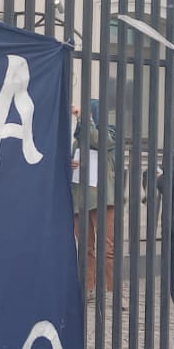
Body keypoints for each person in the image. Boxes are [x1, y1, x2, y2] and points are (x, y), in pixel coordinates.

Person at [72, 101, 117, 297]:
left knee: (107, 246)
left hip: (102, 199)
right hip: (80, 199)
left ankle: (112, 289)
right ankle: (88, 287)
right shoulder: (78, 141)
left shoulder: (109, 134)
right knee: (85, 246)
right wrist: (71, 163)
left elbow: (98, 141)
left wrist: (87, 119)